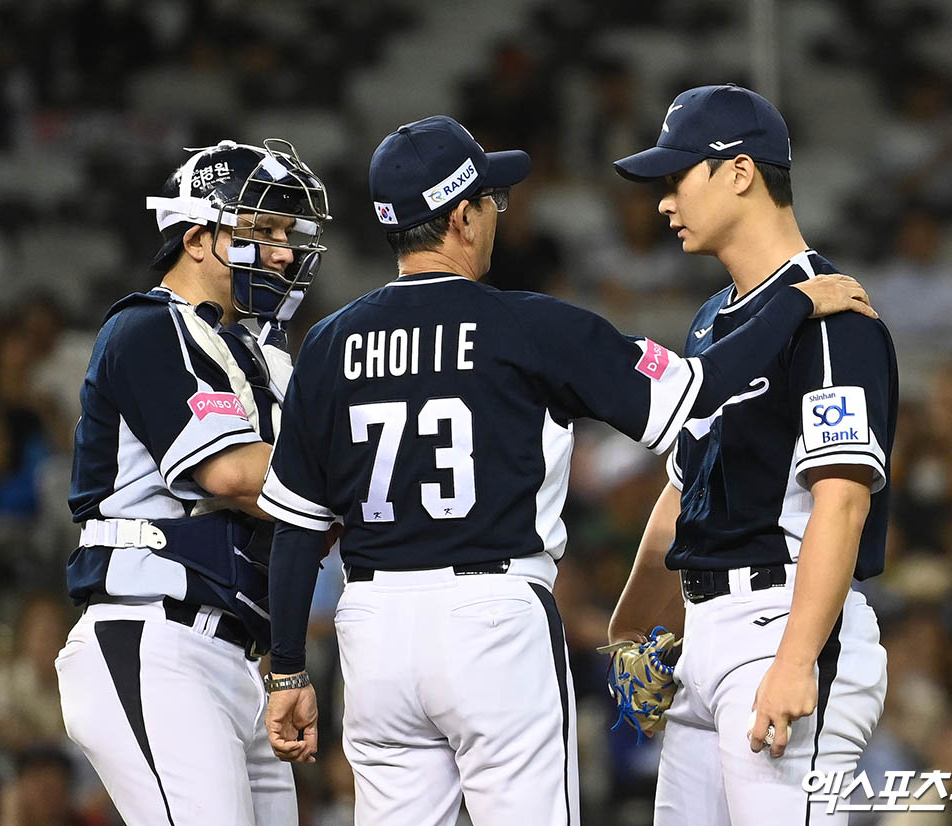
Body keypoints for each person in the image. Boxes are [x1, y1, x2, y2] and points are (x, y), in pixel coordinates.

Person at [255, 114, 876, 826]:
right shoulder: (528, 326)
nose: (496, 213)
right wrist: (792, 305)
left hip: (373, 627)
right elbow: (695, 392)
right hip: (490, 618)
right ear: (462, 216)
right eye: (491, 201)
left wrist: (287, 669)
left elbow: (296, 531)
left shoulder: (329, 344)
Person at [607, 83, 896, 825]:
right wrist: (629, 625)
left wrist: (798, 658)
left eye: (677, 177)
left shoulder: (829, 312)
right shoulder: (711, 321)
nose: (664, 202)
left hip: (784, 620)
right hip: (704, 636)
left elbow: (844, 496)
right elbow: (684, 489)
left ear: (738, 172)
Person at [55, 138, 331, 826]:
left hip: (238, 659)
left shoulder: (260, 354)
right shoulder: (149, 329)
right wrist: (354, 474)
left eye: (285, 234)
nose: (283, 251)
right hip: (153, 640)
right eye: (259, 230)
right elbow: (235, 474)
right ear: (199, 237)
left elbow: (310, 516)